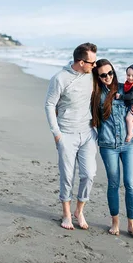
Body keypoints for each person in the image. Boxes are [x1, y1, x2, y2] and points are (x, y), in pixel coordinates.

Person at [44, 42, 98, 230]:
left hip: (88, 133)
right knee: (67, 176)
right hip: (66, 134)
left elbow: (112, 85)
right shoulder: (60, 78)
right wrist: (57, 134)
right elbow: (50, 105)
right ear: (81, 62)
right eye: (92, 62)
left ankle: (79, 210)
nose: (95, 65)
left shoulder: (92, 74)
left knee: (89, 174)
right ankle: (67, 214)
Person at [91, 59, 133, 238]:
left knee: (130, 184)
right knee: (113, 184)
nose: (108, 77)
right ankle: (115, 221)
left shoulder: (125, 89)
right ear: (98, 77)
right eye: (103, 75)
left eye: (110, 73)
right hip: (108, 145)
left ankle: (132, 224)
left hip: (129, 144)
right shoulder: (96, 95)